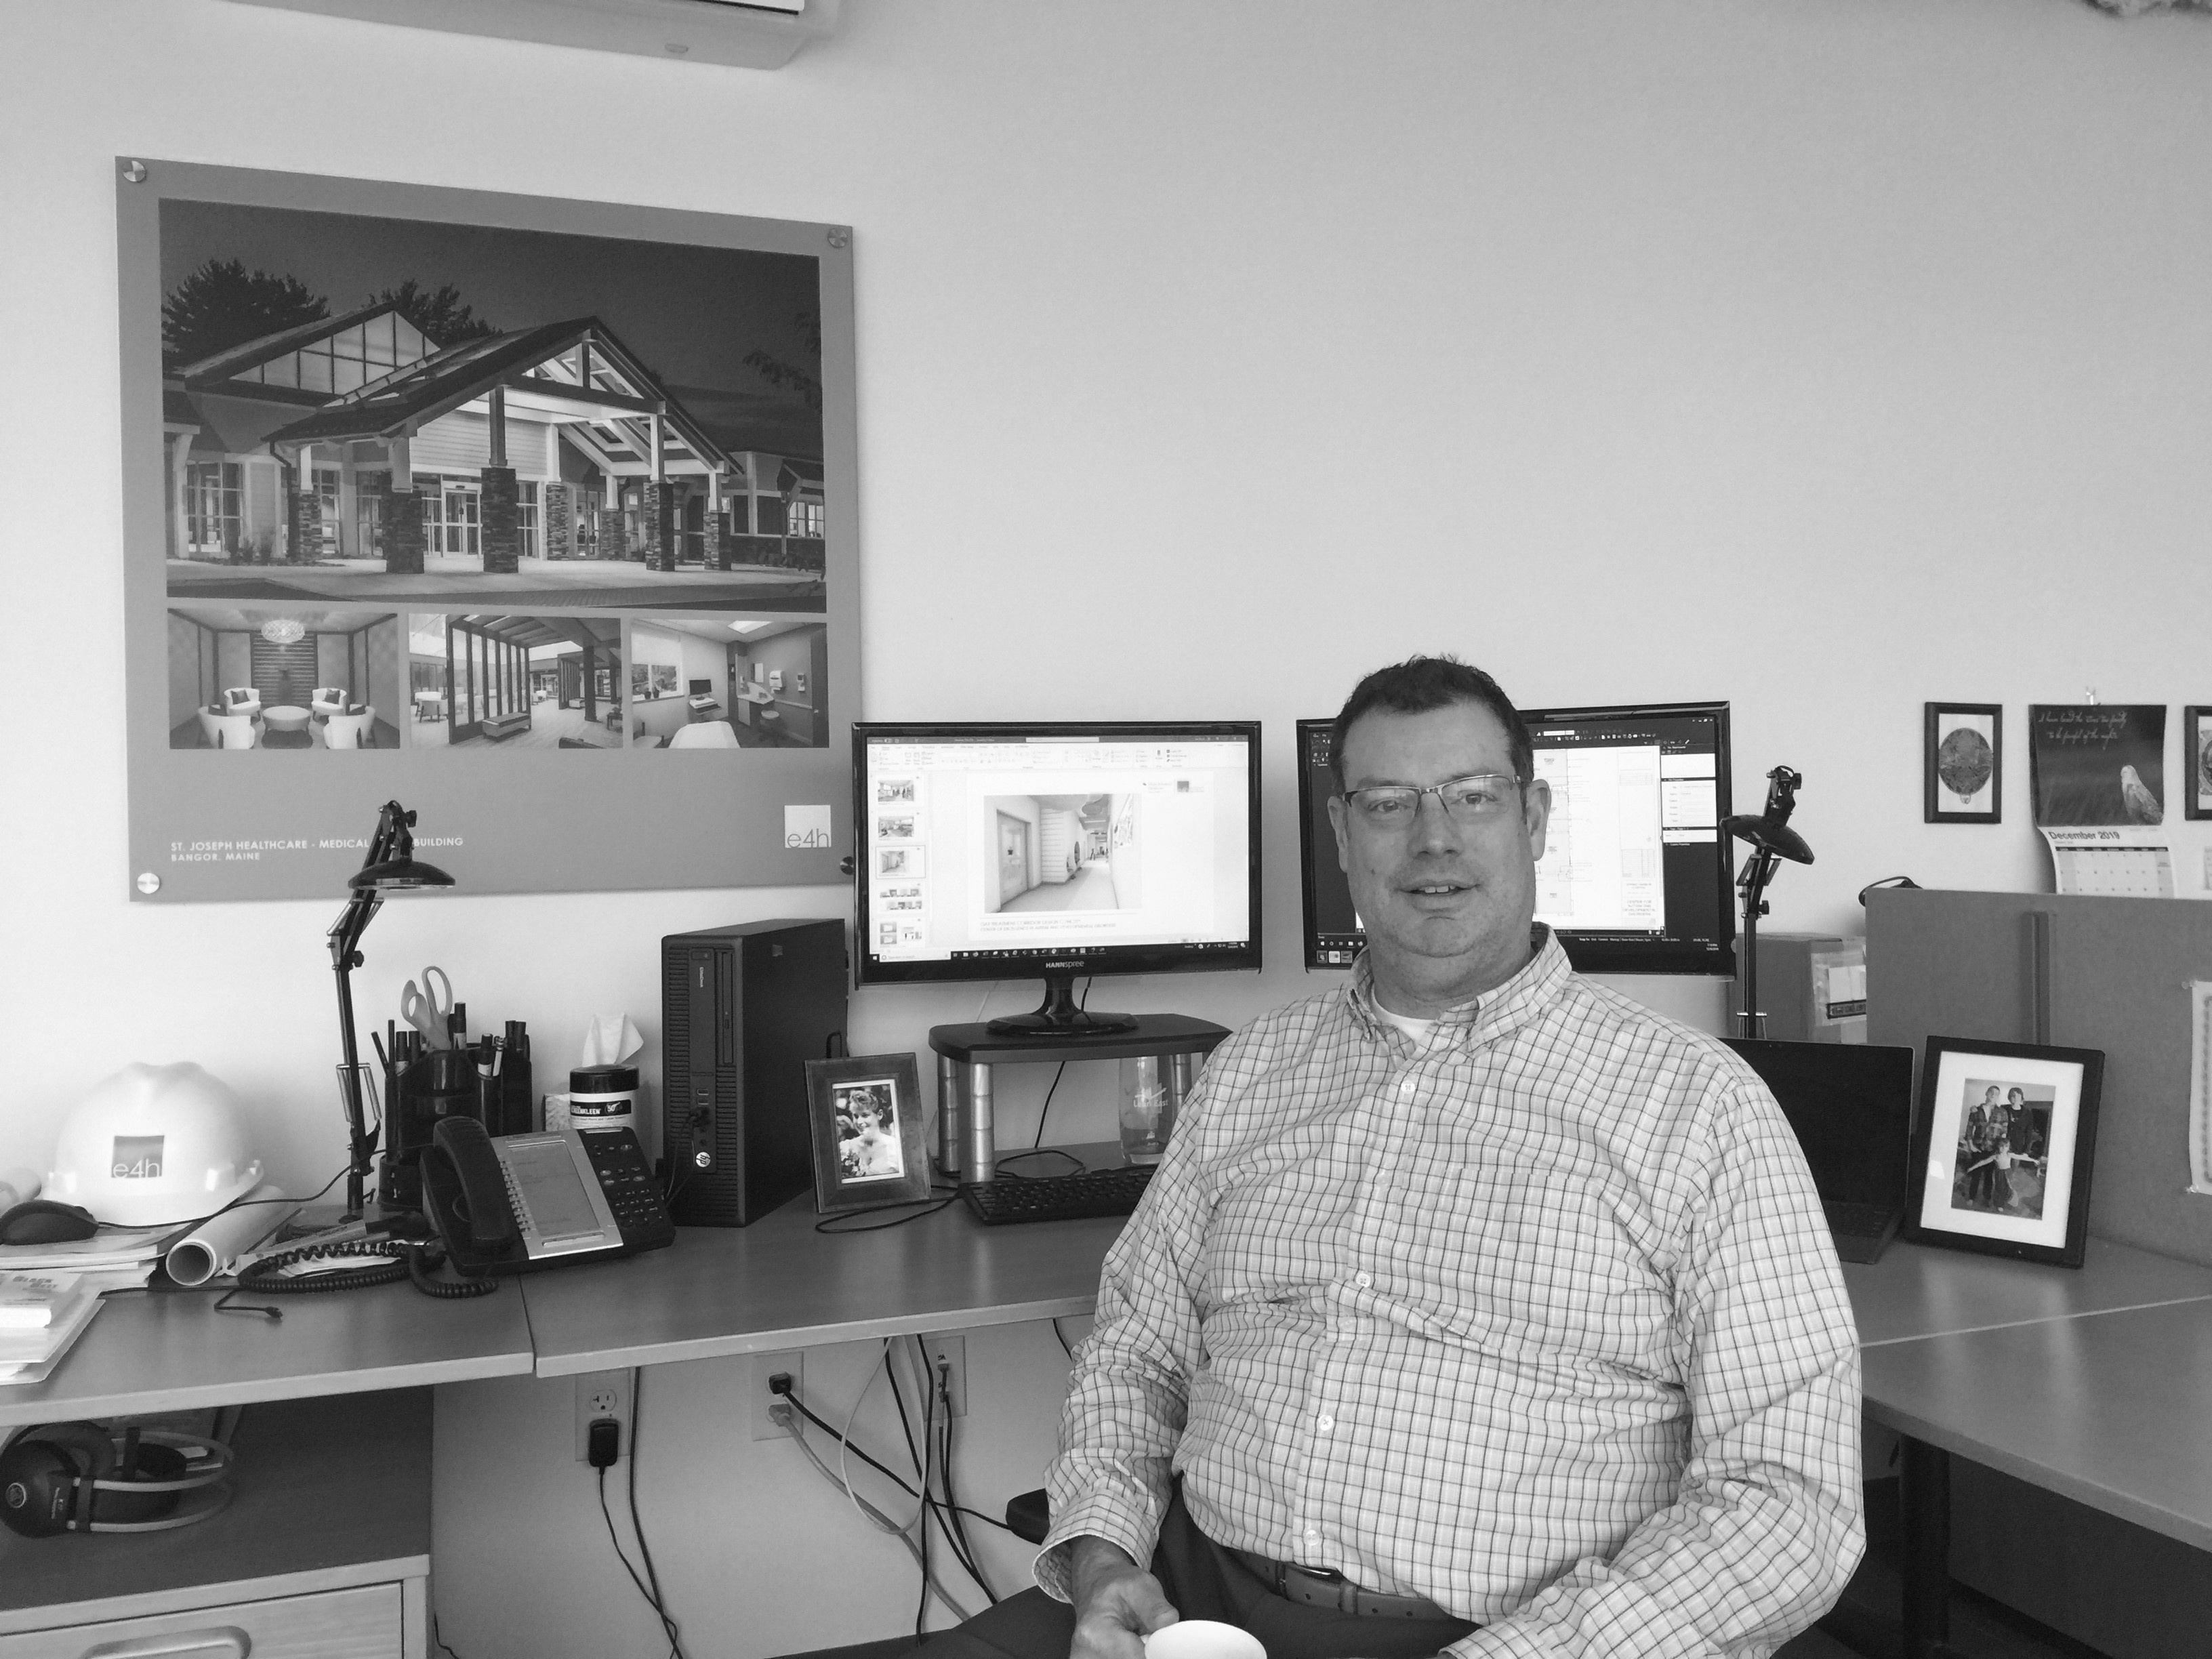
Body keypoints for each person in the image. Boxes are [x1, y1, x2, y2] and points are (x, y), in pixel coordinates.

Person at [928, 656, 1863, 1659]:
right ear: (1341, 834)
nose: (1434, 839)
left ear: (1536, 818)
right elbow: (1136, 1351)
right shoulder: (1252, 1071)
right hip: (1194, 1606)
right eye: (1387, 804)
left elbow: (1789, 1502)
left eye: (1473, 797)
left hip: (1521, 1635)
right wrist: (1105, 1559)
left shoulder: (1699, 1109)